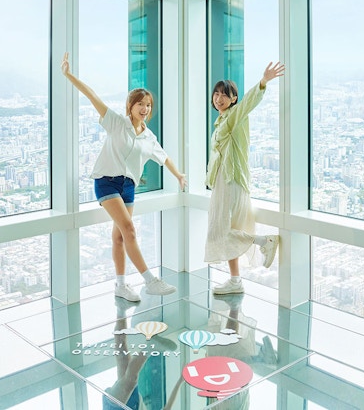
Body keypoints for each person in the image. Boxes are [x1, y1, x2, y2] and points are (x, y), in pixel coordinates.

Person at [61, 51, 186, 301]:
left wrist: (179, 176)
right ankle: (150, 281)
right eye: (140, 104)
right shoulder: (116, 123)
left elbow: (165, 158)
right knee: (129, 229)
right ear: (130, 106)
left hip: (128, 187)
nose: (145, 108)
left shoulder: (149, 137)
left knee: (119, 236)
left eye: (148, 105)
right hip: (106, 182)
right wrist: (68, 75)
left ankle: (120, 285)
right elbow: (92, 96)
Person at [205, 61, 285, 295]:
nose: (219, 98)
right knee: (226, 230)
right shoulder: (220, 121)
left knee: (220, 231)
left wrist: (263, 82)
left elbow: (248, 103)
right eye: (216, 93)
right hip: (222, 181)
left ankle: (263, 242)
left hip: (231, 180)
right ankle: (235, 280)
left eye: (225, 95)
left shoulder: (234, 116)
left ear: (234, 99)